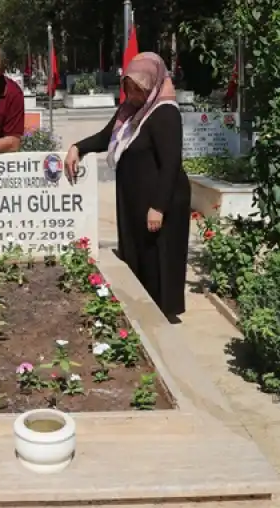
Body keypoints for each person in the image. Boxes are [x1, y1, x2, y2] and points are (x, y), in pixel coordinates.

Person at [64, 52, 191, 319]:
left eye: (139, 90)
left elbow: (171, 164)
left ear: (153, 85)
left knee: (159, 257)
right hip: (135, 198)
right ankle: (142, 308)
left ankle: (161, 314)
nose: (133, 95)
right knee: (139, 255)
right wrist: (78, 147)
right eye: (128, 89)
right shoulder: (130, 112)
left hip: (160, 201)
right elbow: (105, 136)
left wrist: (158, 206)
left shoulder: (164, 113)